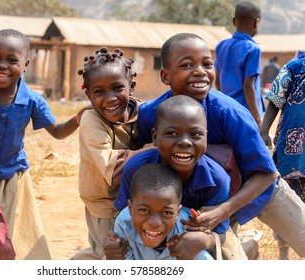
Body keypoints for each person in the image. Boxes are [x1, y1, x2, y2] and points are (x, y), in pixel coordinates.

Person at [118, 32, 305, 259]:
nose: (199, 71)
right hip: (207, 196)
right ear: (165, 76)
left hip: (257, 188)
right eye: (187, 64)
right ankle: (245, 248)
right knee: (222, 255)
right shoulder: (151, 114)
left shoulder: (230, 113)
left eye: (207, 64)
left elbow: (265, 174)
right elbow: (148, 169)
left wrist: (223, 211)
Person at [0, 29, 81, 260]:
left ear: (25, 64)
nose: (2, 65)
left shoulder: (33, 100)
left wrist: (78, 120)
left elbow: (56, 132)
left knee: (8, 230)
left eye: (12, 60)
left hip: (12, 177)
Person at [113, 95, 248, 260]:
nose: (185, 142)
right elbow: (126, 217)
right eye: (172, 133)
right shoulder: (135, 168)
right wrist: (114, 244)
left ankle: (248, 247)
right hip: (146, 240)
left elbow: (220, 233)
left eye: (195, 134)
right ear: (155, 136)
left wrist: (204, 240)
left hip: (197, 240)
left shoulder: (217, 180)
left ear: (206, 137)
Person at [70, 47, 148, 260]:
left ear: (131, 86)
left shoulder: (144, 112)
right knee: (112, 253)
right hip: (104, 204)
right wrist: (153, 150)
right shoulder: (91, 120)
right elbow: (114, 174)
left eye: (117, 88)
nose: (110, 98)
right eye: (99, 92)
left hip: (134, 200)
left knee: (133, 251)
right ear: (88, 94)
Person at [115, 162, 214, 260]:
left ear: (177, 214)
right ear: (130, 209)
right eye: (144, 210)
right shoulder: (124, 224)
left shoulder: (188, 231)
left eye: (167, 213)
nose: (155, 223)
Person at [260, 56, 305, 259]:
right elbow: (275, 101)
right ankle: (283, 252)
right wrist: (263, 130)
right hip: (291, 149)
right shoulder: (295, 67)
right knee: (287, 200)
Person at [214, 1, 264, 129]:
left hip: (226, 109)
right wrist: (258, 120)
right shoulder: (253, 49)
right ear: (256, 22)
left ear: (234, 21)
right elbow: (248, 86)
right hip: (245, 113)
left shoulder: (221, 45)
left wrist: (224, 102)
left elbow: (218, 80)